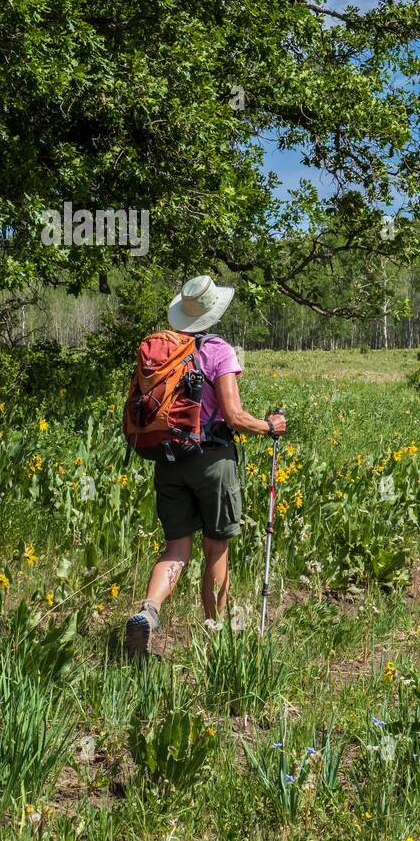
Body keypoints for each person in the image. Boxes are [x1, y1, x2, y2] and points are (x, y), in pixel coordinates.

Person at [125, 275, 286, 658]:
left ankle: (148, 613)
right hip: (212, 461)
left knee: (176, 548)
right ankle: (216, 636)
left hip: (169, 460)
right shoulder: (218, 350)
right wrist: (268, 426)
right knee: (216, 549)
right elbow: (233, 416)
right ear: (212, 313)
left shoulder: (161, 354)